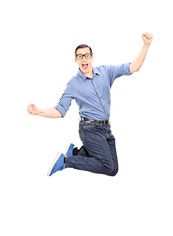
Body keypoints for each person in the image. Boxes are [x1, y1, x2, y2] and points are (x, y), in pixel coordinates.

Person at [27, 32, 153, 177]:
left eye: (86, 55)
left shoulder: (106, 72)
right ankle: (66, 161)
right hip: (89, 129)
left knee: (113, 170)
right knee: (107, 166)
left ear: (92, 57)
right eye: (80, 56)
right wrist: (38, 112)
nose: (83, 59)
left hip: (106, 128)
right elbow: (60, 111)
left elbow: (134, 67)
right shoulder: (73, 84)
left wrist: (146, 45)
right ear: (76, 60)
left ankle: (77, 153)